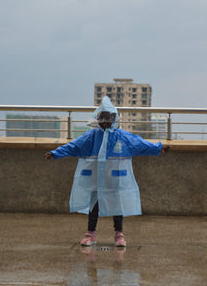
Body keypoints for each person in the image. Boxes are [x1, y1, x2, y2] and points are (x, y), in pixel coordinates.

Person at [45, 97, 171, 247]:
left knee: (117, 207)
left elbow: (139, 143)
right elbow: (74, 146)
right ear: (98, 119)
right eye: (102, 118)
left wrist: (158, 147)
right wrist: (56, 153)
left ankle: (119, 234)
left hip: (114, 180)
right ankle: (90, 233)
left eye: (108, 118)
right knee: (94, 207)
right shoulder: (91, 136)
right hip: (96, 180)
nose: (105, 121)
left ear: (114, 119)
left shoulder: (121, 136)